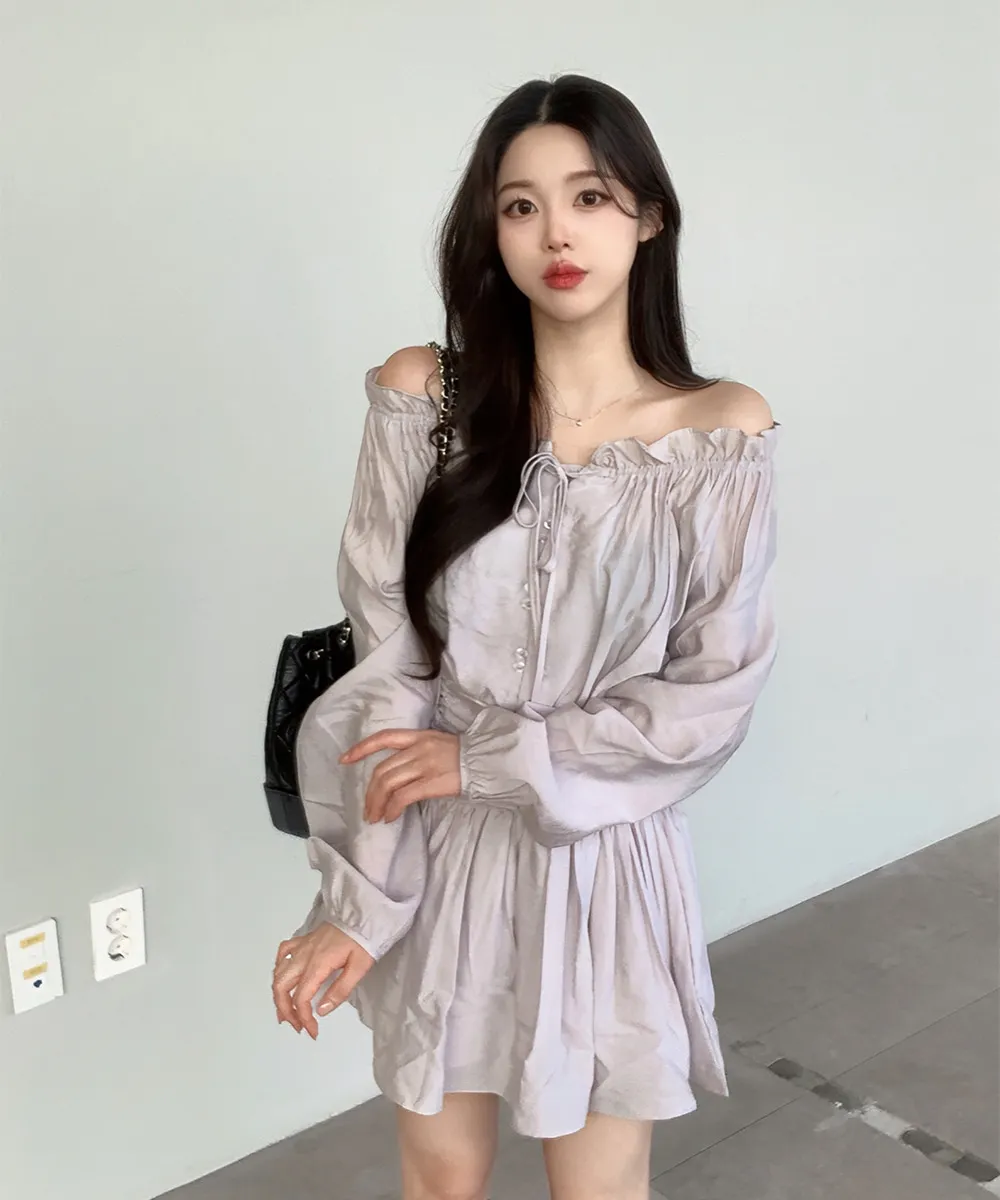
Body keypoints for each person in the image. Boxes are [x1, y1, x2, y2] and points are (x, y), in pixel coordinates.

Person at [272, 73, 777, 1200]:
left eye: (590, 197)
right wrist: (357, 904)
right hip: (430, 840)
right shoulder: (426, 402)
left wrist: (491, 757)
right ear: (490, 231)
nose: (556, 233)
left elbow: (711, 695)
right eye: (520, 205)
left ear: (648, 217)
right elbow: (387, 663)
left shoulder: (717, 434)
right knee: (441, 1181)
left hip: (601, 859)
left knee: (597, 1188)